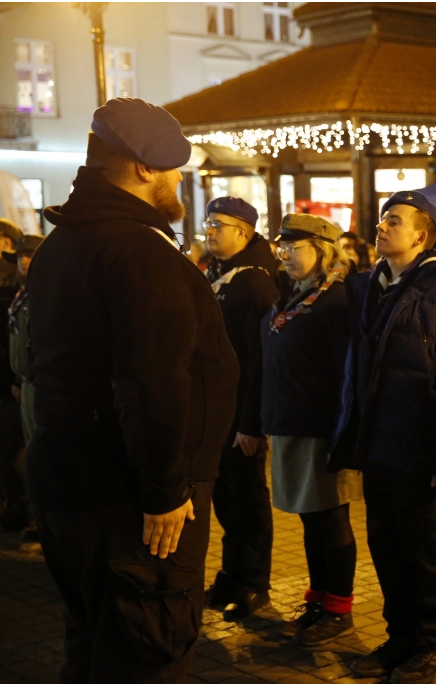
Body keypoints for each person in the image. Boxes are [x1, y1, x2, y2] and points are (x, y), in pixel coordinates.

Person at [26, 98, 239, 681]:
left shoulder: (61, 245)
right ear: (145, 167)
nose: (179, 181)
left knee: (92, 645)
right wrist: (165, 490)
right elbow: (152, 380)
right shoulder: (140, 250)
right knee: (147, 653)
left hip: (71, 481)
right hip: (131, 503)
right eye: (173, 169)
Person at [331, 191, 436, 683]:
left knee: (428, 553)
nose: (381, 227)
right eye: (382, 219)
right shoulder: (370, 288)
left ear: (421, 235)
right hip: (379, 447)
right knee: (387, 549)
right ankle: (401, 639)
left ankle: (434, 645)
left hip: (422, 451)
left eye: (394, 221)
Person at [261, 213, 361, 646]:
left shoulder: (335, 302)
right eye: (281, 246)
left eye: (293, 246)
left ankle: (339, 609)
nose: (284, 253)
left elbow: (346, 377)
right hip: (289, 422)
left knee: (330, 517)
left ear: (321, 251)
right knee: (310, 518)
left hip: (319, 429)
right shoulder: (292, 296)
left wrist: (341, 436)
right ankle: (319, 600)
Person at [199, 197, 280, 622]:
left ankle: (254, 583)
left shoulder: (254, 282)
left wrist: (251, 423)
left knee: (248, 500)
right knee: (226, 500)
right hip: (217, 410)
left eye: (218, 224)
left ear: (243, 232)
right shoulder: (219, 273)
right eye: (208, 223)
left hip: (240, 414)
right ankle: (231, 576)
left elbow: (259, 359)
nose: (209, 230)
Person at [7, 234, 42, 541]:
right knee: (30, 450)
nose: (24, 261)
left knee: (40, 450)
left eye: (29, 256)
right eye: (20, 257)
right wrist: (18, 379)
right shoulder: (22, 293)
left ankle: (42, 519)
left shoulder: (44, 292)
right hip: (26, 383)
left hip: (40, 383)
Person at [0, 218, 26, 535]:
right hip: (9, 374)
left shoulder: (14, 279)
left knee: (10, 447)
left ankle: (20, 506)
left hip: (11, 376)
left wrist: (17, 378)